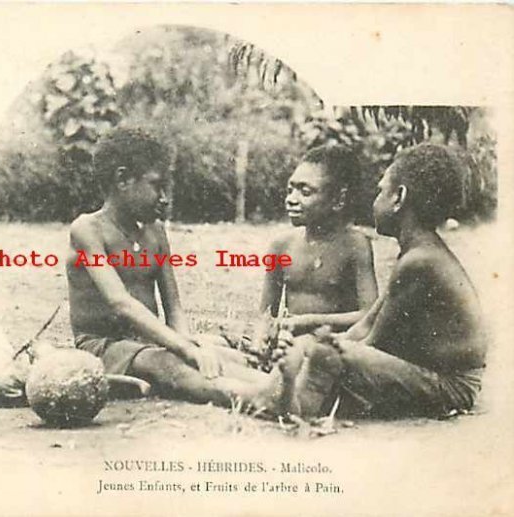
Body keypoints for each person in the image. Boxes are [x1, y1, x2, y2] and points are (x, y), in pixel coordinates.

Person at [66, 128, 334, 414]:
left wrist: (189, 344)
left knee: (219, 356)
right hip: (104, 348)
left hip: (150, 340)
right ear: (122, 179)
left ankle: (288, 390)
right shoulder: (87, 230)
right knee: (169, 363)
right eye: (157, 185)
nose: (164, 198)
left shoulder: (155, 232)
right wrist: (186, 350)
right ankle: (258, 397)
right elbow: (121, 304)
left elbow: (174, 307)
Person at [284, 144, 487, 419]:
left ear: (398, 198)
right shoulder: (416, 253)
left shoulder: (421, 261)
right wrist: (317, 343)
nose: (375, 199)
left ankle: (294, 406)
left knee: (324, 355)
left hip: (451, 388)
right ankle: (292, 388)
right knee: (318, 349)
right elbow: (366, 323)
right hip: (435, 376)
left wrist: (317, 348)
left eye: (381, 191)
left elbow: (373, 342)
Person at [260, 145, 378, 336]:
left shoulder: (355, 245)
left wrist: (312, 322)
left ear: (338, 199)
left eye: (305, 192)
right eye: (290, 189)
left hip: (333, 348)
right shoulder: (281, 246)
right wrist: (261, 342)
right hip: (288, 347)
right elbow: (265, 316)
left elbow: (369, 316)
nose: (291, 199)